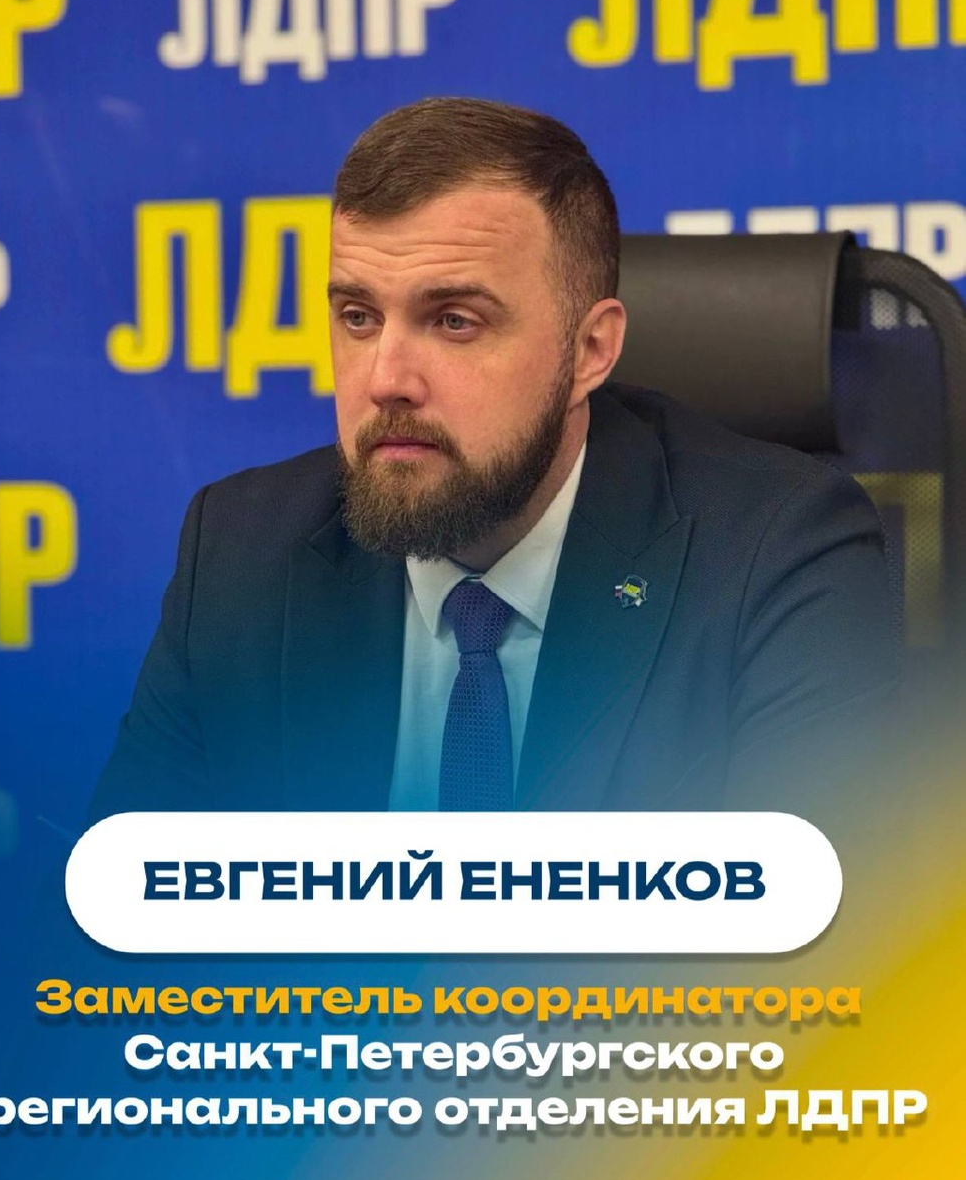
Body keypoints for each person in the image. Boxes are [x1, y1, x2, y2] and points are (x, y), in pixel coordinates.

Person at [91, 97, 897, 819]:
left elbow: (813, 922)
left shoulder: (773, 551)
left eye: (454, 321)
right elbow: (122, 908)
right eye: (358, 316)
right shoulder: (241, 552)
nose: (385, 380)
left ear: (589, 351)